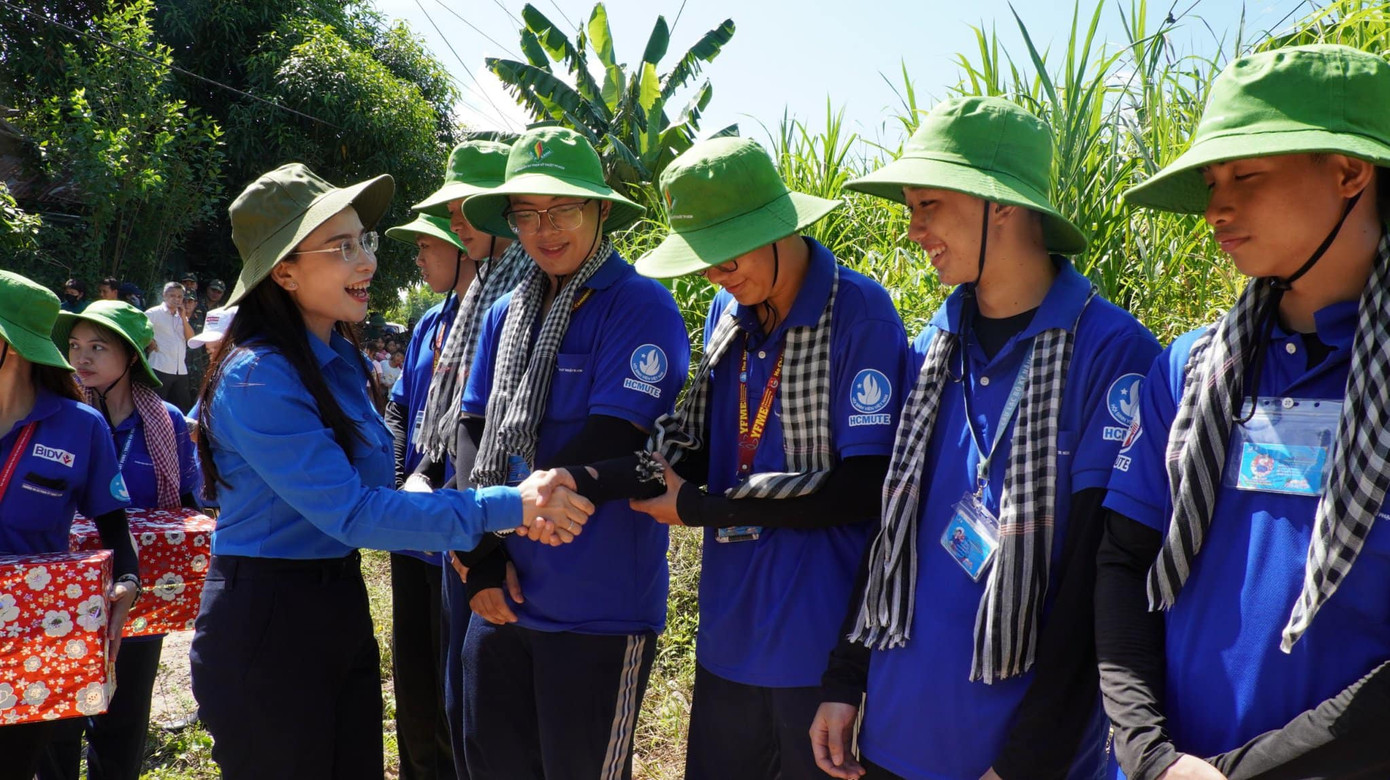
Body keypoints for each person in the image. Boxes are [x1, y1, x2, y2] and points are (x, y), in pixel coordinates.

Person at [187, 162, 596, 780]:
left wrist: (433, 492)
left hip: (336, 601)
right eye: (341, 247)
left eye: (363, 242)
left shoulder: (340, 359)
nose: (366, 263)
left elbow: (383, 483)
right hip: (269, 618)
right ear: (286, 271)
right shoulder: (259, 375)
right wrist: (509, 504)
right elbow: (353, 512)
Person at [811, 96, 1161, 780]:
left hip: (1011, 753)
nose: (913, 229)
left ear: (1000, 204)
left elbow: (1098, 574)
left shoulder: (1112, 354)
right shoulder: (933, 344)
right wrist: (846, 677)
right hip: (894, 731)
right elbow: (892, 529)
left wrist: (1028, 760)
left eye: (929, 204)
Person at [1096, 44, 1390, 780]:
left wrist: (1244, 772)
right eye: (1210, 181)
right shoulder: (1191, 368)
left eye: (1247, 176)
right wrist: (1150, 754)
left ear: (1350, 172)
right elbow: (1123, 559)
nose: (1216, 208)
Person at [605, 136, 911, 778]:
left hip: (815, 640)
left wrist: (699, 507)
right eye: (703, 260)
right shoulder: (730, 309)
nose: (716, 273)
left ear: (779, 228)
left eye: (726, 254)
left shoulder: (859, 315)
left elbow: (863, 487)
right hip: (729, 632)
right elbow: (707, 444)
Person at [446, 127, 689, 780]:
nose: (545, 229)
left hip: (596, 613)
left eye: (564, 210)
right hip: (500, 598)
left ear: (601, 209)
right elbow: (471, 432)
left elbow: (618, 437)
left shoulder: (640, 306)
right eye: (527, 213)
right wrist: (481, 555)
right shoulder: (504, 312)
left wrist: (512, 511)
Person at [404, 138, 530, 780]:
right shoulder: (474, 301)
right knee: (455, 702)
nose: (452, 221)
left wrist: (478, 544)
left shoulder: (522, 298)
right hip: (462, 528)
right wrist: (424, 477)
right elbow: (447, 425)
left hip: (504, 536)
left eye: (463, 206)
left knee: (488, 722)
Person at [41, 300, 202, 780]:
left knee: (126, 712)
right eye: (73, 346)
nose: (81, 358)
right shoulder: (60, 417)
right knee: (61, 712)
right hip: (66, 590)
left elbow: (188, 505)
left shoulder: (166, 420)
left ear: (132, 355)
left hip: (139, 593)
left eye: (97, 347)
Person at [0, 271, 139, 780]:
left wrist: (126, 585)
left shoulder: (80, 428)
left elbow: (116, 535)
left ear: (11, 347)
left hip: (28, 645)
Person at [380, 202, 481, 780]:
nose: (417, 258)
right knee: (414, 672)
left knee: (454, 678)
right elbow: (399, 408)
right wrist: (399, 488)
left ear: (465, 245)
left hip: (457, 533)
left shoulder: (497, 321)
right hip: (410, 530)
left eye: (427, 247)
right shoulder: (428, 324)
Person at [144, 282, 193, 412]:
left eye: (179, 297)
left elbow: (191, 338)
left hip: (180, 369)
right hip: (160, 366)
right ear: (164, 295)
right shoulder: (154, 312)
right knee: (156, 407)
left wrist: (183, 317)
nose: (176, 299)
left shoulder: (181, 316)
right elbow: (138, 329)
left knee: (183, 406)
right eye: (172, 295)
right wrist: (150, 341)